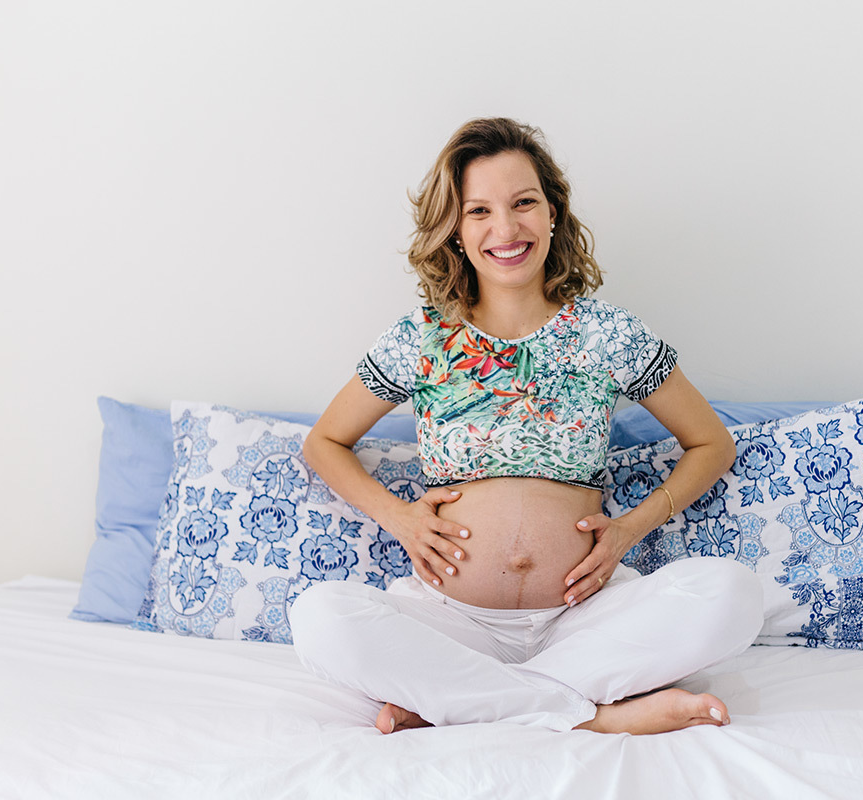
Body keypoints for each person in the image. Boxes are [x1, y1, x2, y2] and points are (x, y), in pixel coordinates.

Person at [290, 117, 763, 736]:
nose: (506, 229)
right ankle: (593, 716)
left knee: (732, 593)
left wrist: (627, 531)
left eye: (523, 204)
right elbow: (324, 442)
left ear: (552, 214)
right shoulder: (422, 337)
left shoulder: (609, 333)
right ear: (455, 232)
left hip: (585, 615)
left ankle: (461, 703)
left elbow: (711, 443)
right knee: (320, 616)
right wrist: (398, 515)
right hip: (449, 620)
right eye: (479, 210)